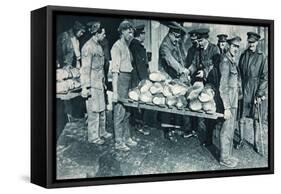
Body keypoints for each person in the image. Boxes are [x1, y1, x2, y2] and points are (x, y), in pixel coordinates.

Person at [186, 28, 221, 145]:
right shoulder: (198, 50)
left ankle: (209, 139)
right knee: (196, 103)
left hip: (211, 82)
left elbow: (215, 65)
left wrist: (205, 72)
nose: (199, 43)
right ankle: (194, 129)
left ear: (206, 39)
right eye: (198, 41)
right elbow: (194, 64)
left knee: (209, 109)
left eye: (201, 41)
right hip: (201, 82)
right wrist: (188, 71)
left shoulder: (214, 49)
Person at [80, 21, 112, 145]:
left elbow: (102, 65)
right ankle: (93, 136)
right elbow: (85, 69)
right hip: (92, 83)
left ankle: (102, 131)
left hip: (100, 82)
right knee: (93, 111)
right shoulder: (88, 47)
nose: (104, 35)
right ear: (96, 33)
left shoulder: (98, 45)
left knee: (102, 109)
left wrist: (104, 82)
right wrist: (85, 87)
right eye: (103, 33)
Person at [236, 32, 268, 155]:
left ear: (257, 43)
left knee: (255, 117)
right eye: (249, 42)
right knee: (241, 116)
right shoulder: (243, 55)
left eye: (253, 43)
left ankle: (255, 142)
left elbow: (264, 77)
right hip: (244, 88)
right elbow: (239, 73)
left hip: (255, 89)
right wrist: (239, 87)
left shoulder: (262, 57)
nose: (251, 45)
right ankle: (241, 140)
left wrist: (259, 93)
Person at [158, 23, 190, 141]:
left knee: (176, 102)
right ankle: (168, 131)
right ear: (170, 34)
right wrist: (182, 70)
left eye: (178, 37)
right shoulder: (165, 45)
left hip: (175, 78)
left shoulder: (175, 43)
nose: (177, 39)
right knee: (168, 104)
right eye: (176, 36)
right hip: (167, 78)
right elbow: (170, 60)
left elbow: (180, 58)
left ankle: (174, 128)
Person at [111, 20, 138, 151]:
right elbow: (115, 71)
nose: (131, 33)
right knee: (119, 112)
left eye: (132, 31)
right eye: (128, 31)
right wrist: (115, 92)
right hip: (121, 79)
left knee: (128, 112)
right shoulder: (117, 47)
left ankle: (126, 137)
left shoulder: (127, 45)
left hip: (128, 79)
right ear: (122, 31)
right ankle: (118, 141)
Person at [219, 36, 242, 168]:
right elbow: (223, 86)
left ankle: (228, 155)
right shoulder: (225, 61)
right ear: (228, 46)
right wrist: (226, 107)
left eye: (238, 47)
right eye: (234, 46)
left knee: (231, 129)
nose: (236, 49)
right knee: (226, 130)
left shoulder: (232, 60)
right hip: (229, 102)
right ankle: (224, 158)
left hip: (234, 101)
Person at [129, 24, 150, 135]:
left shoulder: (135, 45)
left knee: (139, 101)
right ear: (140, 34)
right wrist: (144, 79)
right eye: (144, 33)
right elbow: (139, 64)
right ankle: (139, 124)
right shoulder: (136, 46)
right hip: (138, 78)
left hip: (137, 77)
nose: (145, 35)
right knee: (139, 101)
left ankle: (138, 122)